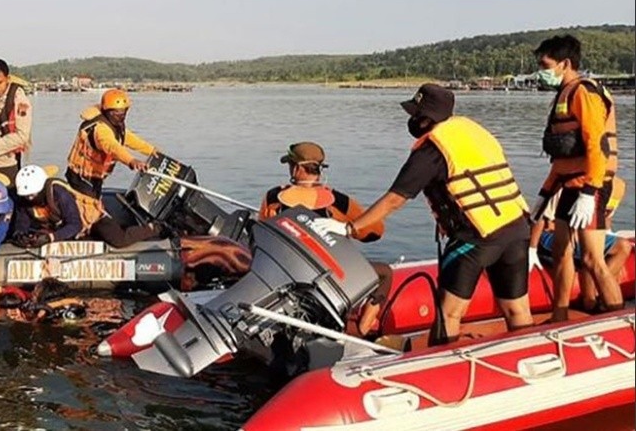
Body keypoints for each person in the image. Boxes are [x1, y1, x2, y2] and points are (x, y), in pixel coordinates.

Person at [313, 84, 534, 346]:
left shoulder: (432, 149)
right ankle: (529, 352)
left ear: (428, 117)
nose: (412, 120)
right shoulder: (471, 131)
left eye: (416, 114)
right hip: (517, 227)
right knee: (517, 308)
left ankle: (441, 365)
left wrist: (350, 228)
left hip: (475, 237)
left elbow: (395, 199)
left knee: (449, 312)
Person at [529, 35, 622, 322]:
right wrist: (544, 195)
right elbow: (562, 157)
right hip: (568, 185)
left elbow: (597, 146)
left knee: (593, 259)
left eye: (545, 64)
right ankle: (560, 315)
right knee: (560, 251)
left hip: (589, 187)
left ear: (565, 63)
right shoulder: (563, 94)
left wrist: (589, 192)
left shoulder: (584, 93)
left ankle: (618, 319)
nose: (540, 71)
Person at [260, 141, 390, 337]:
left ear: (296, 169)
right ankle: (362, 330)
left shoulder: (273, 197)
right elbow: (375, 232)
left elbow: (262, 234)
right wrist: (348, 230)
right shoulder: (338, 201)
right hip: (330, 277)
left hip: (288, 275)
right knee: (385, 273)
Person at [529, 177, 632, 312]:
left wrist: (606, 235)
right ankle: (591, 299)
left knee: (614, 247)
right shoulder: (570, 182)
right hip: (552, 232)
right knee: (615, 247)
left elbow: (605, 217)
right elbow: (542, 217)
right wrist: (532, 248)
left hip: (585, 232)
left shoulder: (617, 186)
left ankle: (598, 295)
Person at [11, 165, 162, 248]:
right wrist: (20, 233)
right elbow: (22, 219)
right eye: (26, 196)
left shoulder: (59, 194)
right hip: (62, 226)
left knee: (119, 240)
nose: (29, 198)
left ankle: (153, 228)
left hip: (92, 221)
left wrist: (50, 238)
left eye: (32, 195)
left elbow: (75, 224)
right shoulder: (26, 200)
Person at [65, 88, 159, 198]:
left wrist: (151, 150)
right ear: (107, 111)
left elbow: (128, 138)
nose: (121, 117)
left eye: (123, 113)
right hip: (81, 177)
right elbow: (112, 147)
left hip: (94, 177)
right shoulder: (101, 130)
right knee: (89, 210)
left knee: (95, 201)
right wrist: (131, 160)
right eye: (117, 113)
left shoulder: (115, 125)